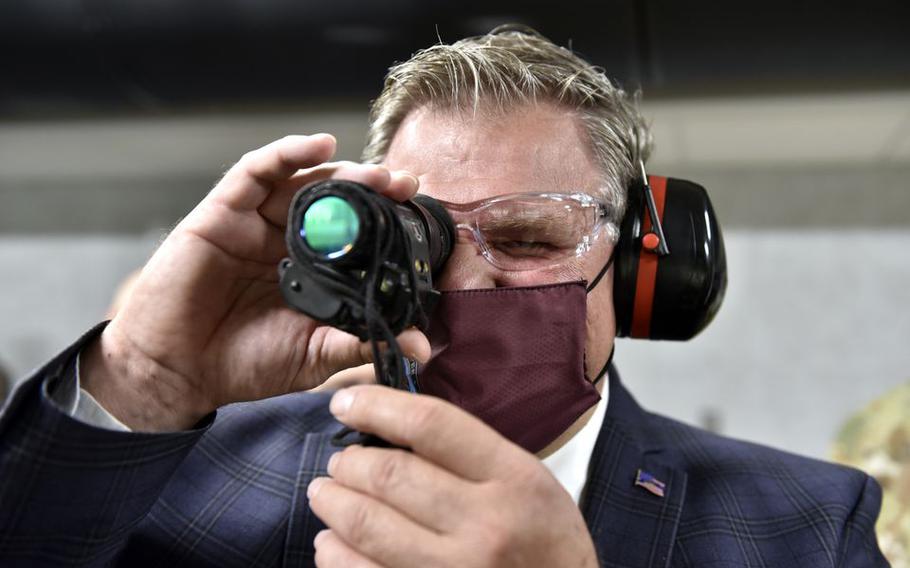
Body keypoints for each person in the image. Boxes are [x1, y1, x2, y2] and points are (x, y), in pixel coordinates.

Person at [0, 26, 888, 567]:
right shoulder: (186, 470)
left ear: (640, 269)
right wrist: (147, 374)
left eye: (528, 238)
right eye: (426, 238)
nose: (463, 283)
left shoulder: (805, 524)